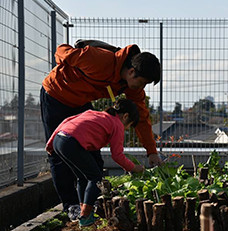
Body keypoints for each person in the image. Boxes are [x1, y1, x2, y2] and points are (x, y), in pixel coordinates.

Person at [40, 40, 163, 220]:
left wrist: (152, 152)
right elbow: (61, 51)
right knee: (59, 156)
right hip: (57, 94)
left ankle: (91, 201)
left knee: (92, 155)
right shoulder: (99, 60)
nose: (141, 88)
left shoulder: (130, 86)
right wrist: (69, 67)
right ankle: (71, 206)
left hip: (81, 102)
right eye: (142, 83)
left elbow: (142, 118)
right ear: (131, 72)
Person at [45, 99, 145, 227]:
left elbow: (67, 121)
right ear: (125, 116)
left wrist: (50, 142)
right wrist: (134, 168)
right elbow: (117, 156)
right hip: (71, 143)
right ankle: (86, 217)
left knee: (82, 177)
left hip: (59, 140)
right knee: (95, 177)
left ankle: (84, 214)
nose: (126, 129)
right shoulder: (117, 124)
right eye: (128, 125)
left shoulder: (95, 113)